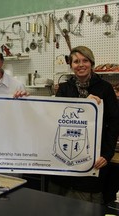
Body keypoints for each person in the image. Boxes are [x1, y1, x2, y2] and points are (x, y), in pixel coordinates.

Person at [48, 46, 119, 204]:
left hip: (91, 164)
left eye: (85, 60)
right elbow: (54, 120)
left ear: (92, 63)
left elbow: (114, 123)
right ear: (71, 65)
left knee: (86, 207)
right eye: (76, 61)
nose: (80, 64)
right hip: (63, 166)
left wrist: (106, 155)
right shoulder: (64, 89)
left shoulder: (105, 89)